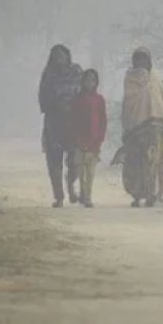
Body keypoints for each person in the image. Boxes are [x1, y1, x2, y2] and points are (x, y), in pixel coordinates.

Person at [116, 47, 163, 208]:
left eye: (144, 59)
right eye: (138, 59)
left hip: (156, 127)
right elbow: (129, 102)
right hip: (136, 128)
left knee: (152, 162)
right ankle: (136, 194)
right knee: (135, 161)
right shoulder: (130, 79)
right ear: (134, 61)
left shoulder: (156, 77)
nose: (141, 63)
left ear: (149, 61)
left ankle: (150, 194)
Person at [38, 44, 82, 208]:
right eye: (55, 56)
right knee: (54, 162)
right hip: (54, 123)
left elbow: (85, 93)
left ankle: (71, 186)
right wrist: (56, 104)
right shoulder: (48, 74)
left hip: (73, 122)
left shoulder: (76, 72)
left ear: (67, 56)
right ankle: (59, 196)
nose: (59, 59)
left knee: (75, 161)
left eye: (61, 55)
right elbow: (42, 98)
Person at [70, 69, 107, 208]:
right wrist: (75, 137)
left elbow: (103, 120)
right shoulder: (78, 99)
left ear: (96, 82)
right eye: (87, 80)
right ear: (82, 82)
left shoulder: (99, 100)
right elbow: (73, 119)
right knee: (81, 172)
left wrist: (100, 138)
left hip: (94, 141)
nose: (89, 83)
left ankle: (88, 197)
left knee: (90, 172)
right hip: (80, 140)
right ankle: (84, 194)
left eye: (92, 80)